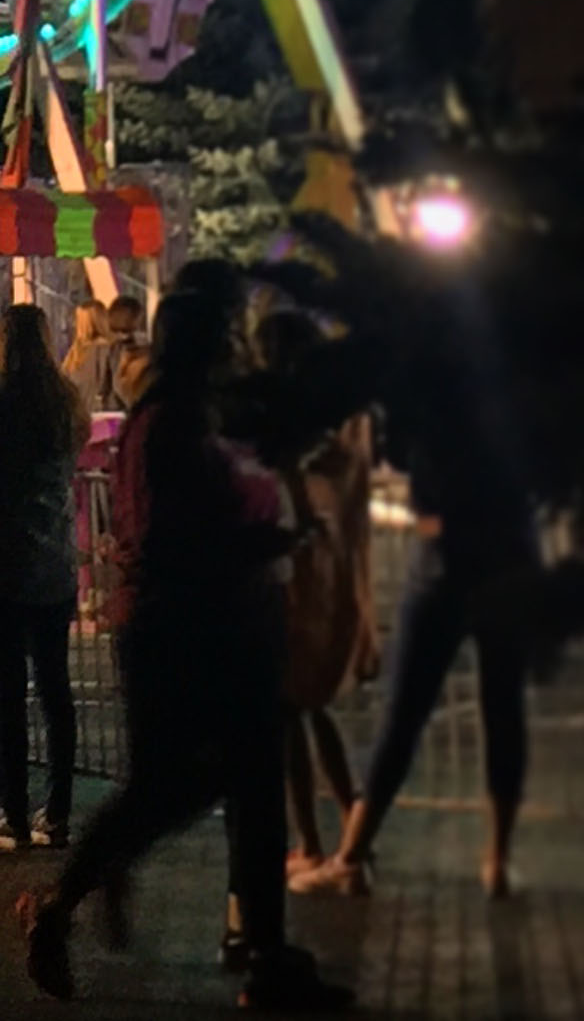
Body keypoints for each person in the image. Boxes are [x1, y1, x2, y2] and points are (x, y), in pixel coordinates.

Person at [18, 293, 350, 1013]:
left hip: (213, 629)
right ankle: (66, 900)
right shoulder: (170, 426)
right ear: (204, 341)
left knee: (232, 791)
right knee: (178, 789)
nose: (236, 346)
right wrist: (269, 543)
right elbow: (178, 542)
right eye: (226, 333)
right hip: (193, 635)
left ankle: (261, 952)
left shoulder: (191, 418)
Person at [304, 306, 536, 902]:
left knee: (406, 711)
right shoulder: (518, 392)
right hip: (512, 552)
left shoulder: (433, 394)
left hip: (447, 554)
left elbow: (402, 456)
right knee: (502, 707)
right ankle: (499, 859)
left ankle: (353, 854)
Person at [0, 303, 88, 852]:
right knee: (56, 688)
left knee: (7, 690)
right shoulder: (65, 407)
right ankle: (57, 811)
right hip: (55, 563)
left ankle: (11, 811)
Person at [253, 312, 378, 882]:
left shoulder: (297, 420)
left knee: (287, 711)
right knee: (311, 708)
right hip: (335, 568)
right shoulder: (348, 415)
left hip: (297, 570)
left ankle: (312, 842)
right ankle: (353, 835)